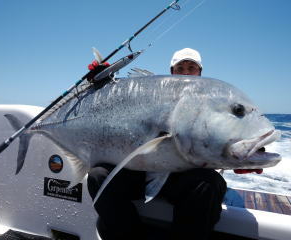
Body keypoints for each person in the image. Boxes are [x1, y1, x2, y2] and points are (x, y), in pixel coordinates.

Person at [87, 48, 227, 240]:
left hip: (180, 177)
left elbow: (229, 136)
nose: (186, 72)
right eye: (180, 67)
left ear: (200, 72)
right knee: (98, 176)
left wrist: (242, 156)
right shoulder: (150, 95)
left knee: (210, 183)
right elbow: (117, 105)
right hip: (141, 170)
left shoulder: (212, 103)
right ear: (172, 71)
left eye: (191, 68)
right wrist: (101, 85)